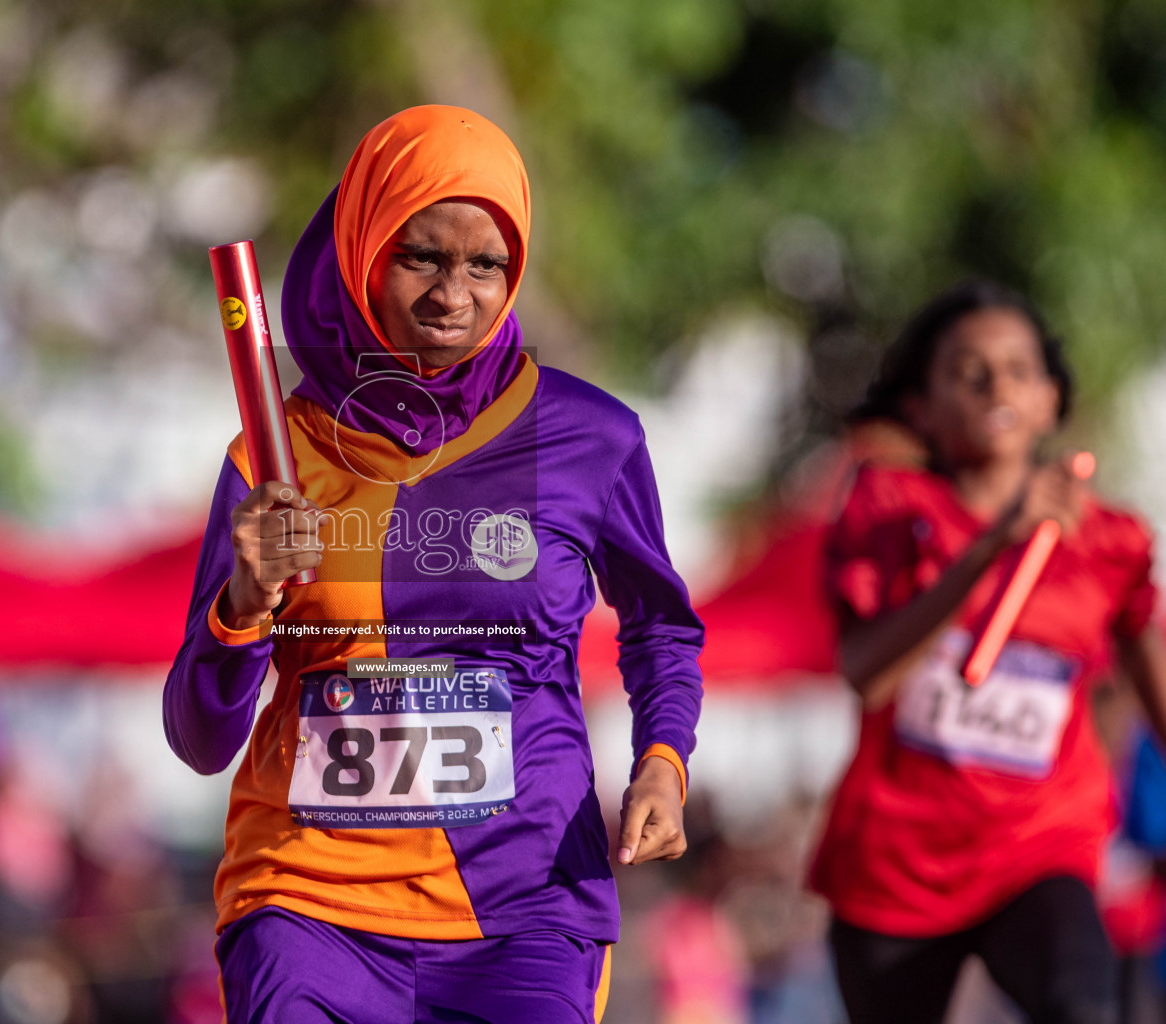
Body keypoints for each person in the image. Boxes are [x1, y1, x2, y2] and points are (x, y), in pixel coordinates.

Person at [164, 105, 705, 1023]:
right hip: (308, 904)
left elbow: (661, 628)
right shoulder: (273, 456)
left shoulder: (591, 439)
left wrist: (663, 761)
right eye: (420, 256)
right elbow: (200, 738)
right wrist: (246, 602)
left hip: (527, 905)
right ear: (362, 248)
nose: (453, 296)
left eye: (485, 265)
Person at [809, 280, 1166, 1024]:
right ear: (921, 406)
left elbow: (1150, 670)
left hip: (1039, 848)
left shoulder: (1110, 542)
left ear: (1051, 400)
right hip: (895, 873)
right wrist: (991, 547)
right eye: (969, 371)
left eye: (1020, 369)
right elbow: (868, 676)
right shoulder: (886, 509)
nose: (998, 384)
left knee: (1085, 1009)